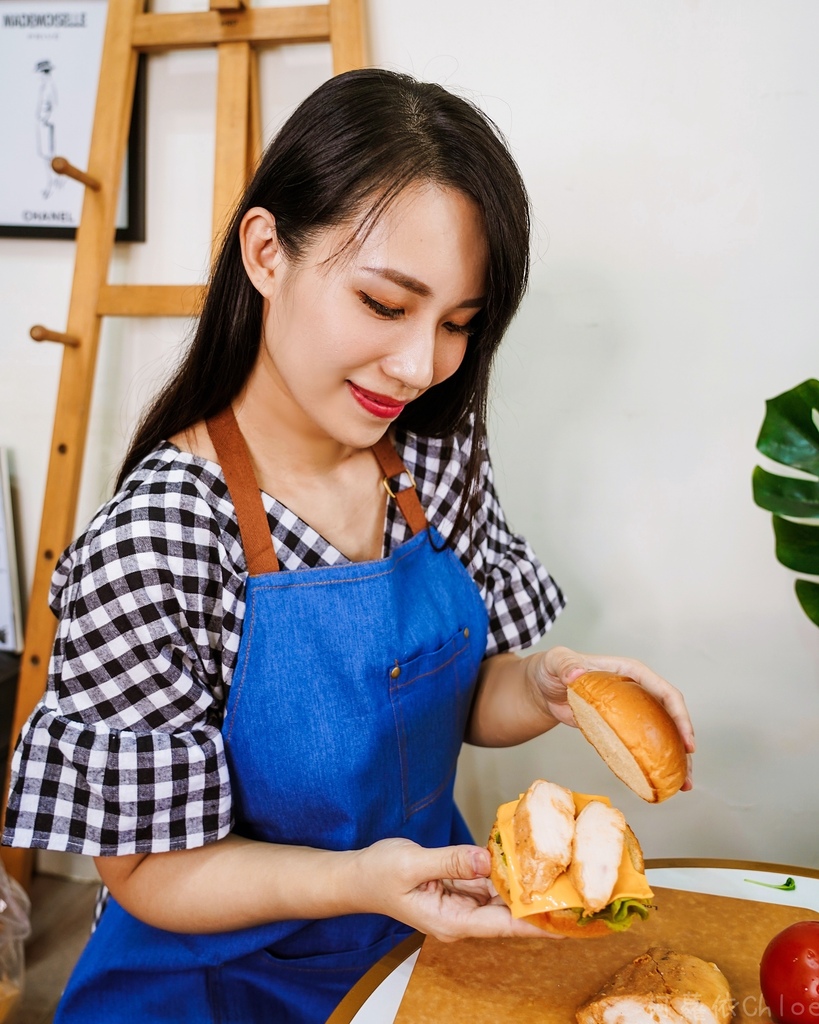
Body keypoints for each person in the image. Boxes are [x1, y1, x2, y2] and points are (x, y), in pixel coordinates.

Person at [3, 69, 694, 1023]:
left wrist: (547, 686)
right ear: (266, 253)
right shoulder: (157, 541)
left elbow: (443, 700)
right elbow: (152, 874)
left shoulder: (432, 464)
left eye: (458, 323)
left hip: (418, 940)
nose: (420, 366)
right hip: (212, 988)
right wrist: (361, 880)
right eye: (383, 303)